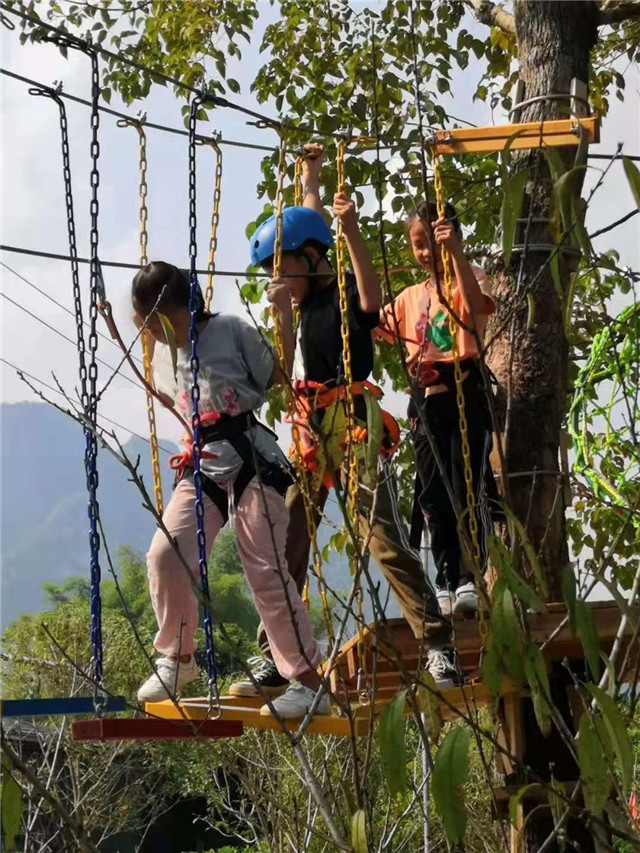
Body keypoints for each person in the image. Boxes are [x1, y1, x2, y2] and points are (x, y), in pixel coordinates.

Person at [230, 147, 455, 697]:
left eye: (282, 270)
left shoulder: (346, 290)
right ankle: (278, 655)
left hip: (352, 419)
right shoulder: (302, 299)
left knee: (378, 535)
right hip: (311, 424)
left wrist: (350, 228)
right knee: (290, 543)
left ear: (312, 257)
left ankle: (437, 644)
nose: (277, 280)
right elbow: (305, 221)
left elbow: (370, 291)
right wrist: (309, 178)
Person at [133, 261, 329, 719]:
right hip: (202, 463)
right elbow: (173, 396)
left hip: (252, 460)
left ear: (174, 313)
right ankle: (178, 658)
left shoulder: (231, 331)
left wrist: (281, 316)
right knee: (167, 551)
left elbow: (277, 374)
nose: (152, 332)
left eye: (153, 322)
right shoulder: (159, 351)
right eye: (145, 324)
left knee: (262, 565)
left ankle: (307, 680)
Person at [377, 199, 498, 621]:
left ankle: (470, 573)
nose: (426, 252)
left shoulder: (471, 277)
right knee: (433, 490)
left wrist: (457, 253)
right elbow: (371, 320)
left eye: (433, 242)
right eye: (418, 244)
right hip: (426, 398)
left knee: (468, 483)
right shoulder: (410, 297)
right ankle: (447, 578)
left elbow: (476, 306)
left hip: (465, 388)